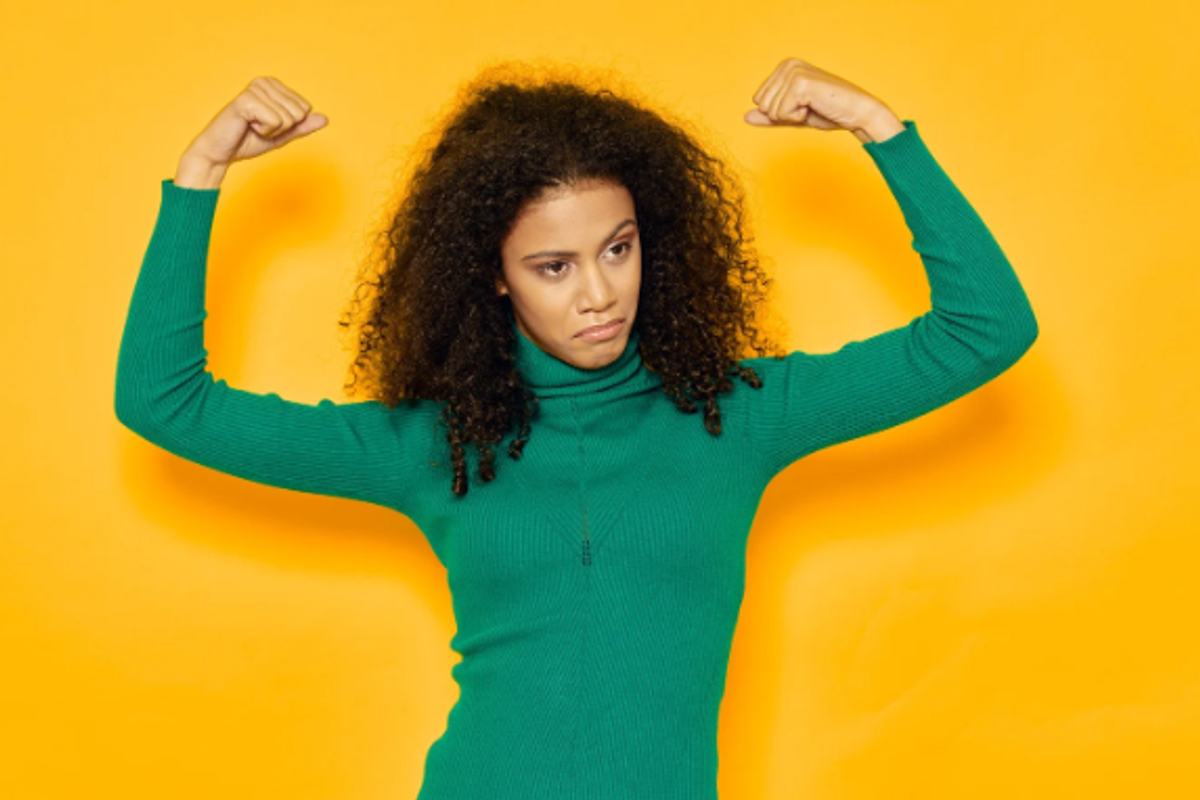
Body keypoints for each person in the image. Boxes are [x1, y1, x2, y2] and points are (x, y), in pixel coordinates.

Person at [115, 58, 1038, 799]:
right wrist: (201, 174)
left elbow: (986, 329)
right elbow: (164, 402)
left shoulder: (742, 412)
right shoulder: (434, 447)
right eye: (553, 266)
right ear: (493, 276)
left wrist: (881, 132)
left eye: (618, 248)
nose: (599, 294)